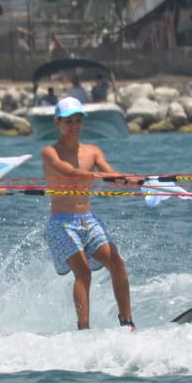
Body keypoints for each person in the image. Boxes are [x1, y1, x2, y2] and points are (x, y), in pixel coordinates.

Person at [41, 97, 142, 331]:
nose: (74, 126)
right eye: (68, 121)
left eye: (78, 121)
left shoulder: (93, 151)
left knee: (116, 262)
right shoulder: (49, 152)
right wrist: (103, 177)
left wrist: (127, 181)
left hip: (88, 220)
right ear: (57, 123)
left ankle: (127, 323)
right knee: (83, 271)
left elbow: (110, 174)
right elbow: (71, 172)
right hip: (61, 224)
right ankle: (83, 330)